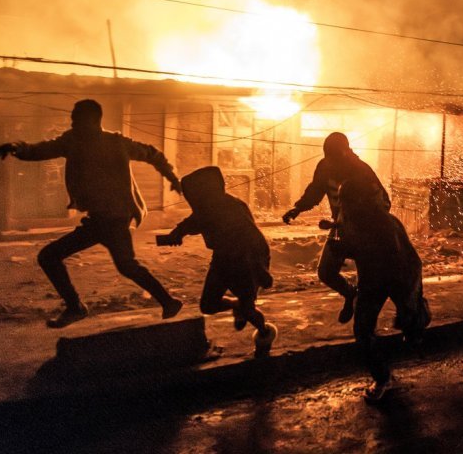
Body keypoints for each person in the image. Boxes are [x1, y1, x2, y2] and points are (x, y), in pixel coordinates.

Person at [0, 99, 183, 328]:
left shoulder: (116, 142)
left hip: (113, 219)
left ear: (94, 120)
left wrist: (173, 178)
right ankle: (167, 302)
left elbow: (153, 154)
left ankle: (77, 308)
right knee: (124, 265)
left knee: (52, 257)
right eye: (73, 118)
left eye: (76, 118)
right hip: (100, 220)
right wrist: (17, 147)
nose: (72, 122)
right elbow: (40, 150)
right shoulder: (72, 141)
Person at [157, 166, 276, 356]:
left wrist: (260, 270)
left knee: (249, 309)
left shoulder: (229, 207)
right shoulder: (210, 208)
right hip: (223, 259)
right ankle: (236, 306)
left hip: (246, 261)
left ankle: (264, 334)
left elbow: (254, 241)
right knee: (208, 305)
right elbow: (191, 223)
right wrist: (176, 234)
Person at [336, 177, 430, 403]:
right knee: (362, 331)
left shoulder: (383, 224)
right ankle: (382, 377)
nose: (343, 206)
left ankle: (415, 322)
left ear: (359, 201)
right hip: (374, 280)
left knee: (406, 320)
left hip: (398, 276)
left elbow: (395, 262)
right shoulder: (355, 220)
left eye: (347, 201)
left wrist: (406, 303)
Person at [282, 132, 390, 324]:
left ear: (347, 152)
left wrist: (369, 222)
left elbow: (384, 200)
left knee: (368, 277)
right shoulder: (325, 167)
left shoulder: (362, 171)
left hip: (366, 231)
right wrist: (298, 208)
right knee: (326, 272)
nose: (333, 163)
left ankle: (365, 323)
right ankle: (350, 294)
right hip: (340, 228)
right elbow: (315, 190)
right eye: (329, 157)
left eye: (336, 157)